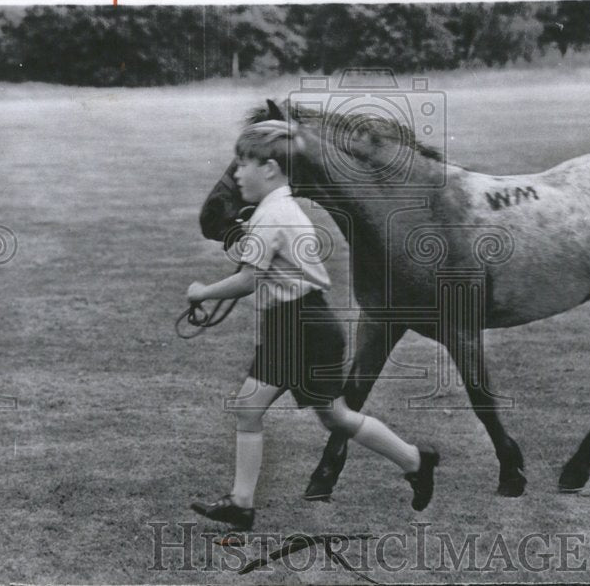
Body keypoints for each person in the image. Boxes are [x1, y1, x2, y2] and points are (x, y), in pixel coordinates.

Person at [187, 120, 438, 531]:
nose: (235, 174)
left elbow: (249, 280)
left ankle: (241, 503)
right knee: (333, 416)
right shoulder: (275, 209)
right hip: (304, 323)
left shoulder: (274, 214)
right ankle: (414, 459)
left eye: (242, 164)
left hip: (300, 326)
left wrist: (202, 291)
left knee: (252, 409)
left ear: (269, 169)